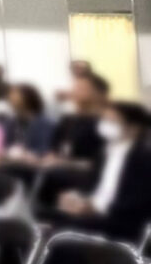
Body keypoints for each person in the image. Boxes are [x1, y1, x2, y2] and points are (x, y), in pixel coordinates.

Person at [36, 102, 151, 243]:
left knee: (64, 230)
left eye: (113, 121)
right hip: (92, 212)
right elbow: (91, 185)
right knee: (41, 215)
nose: (106, 125)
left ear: (134, 128)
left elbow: (138, 201)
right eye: (105, 119)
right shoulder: (104, 152)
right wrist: (74, 197)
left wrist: (97, 208)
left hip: (119, 221)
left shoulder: (143, 158)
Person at [37, 72, 109, 204]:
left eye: (81, 88)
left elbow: (100, 163)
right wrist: (47, 159)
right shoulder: (68, 120)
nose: (74, 92)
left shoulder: (105, 123)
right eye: (74, 88)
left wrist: (64, 163)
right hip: (59, 166)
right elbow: (54, 148)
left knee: (50, 176)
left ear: (99, 94)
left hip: (88, 174)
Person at [2, 83, 55, 160]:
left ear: (27, 98)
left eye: (15, 95)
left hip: (34, 163)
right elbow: (4, 145)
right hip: (11, 162)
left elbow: (44, 149)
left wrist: (27, 154)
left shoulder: (45, 124)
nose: (11, 99)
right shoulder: (10, 123)